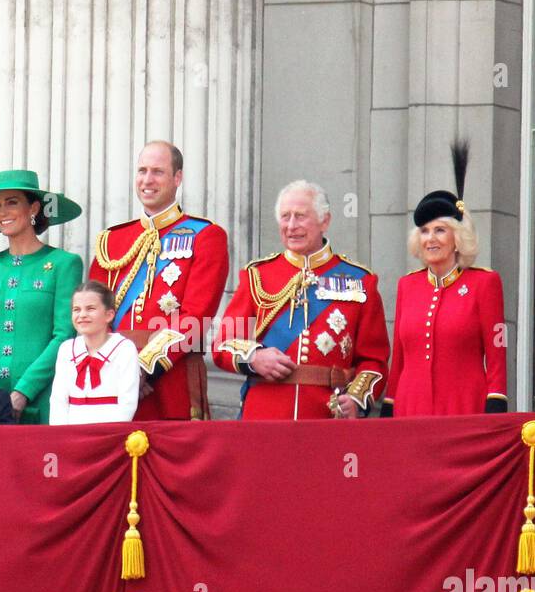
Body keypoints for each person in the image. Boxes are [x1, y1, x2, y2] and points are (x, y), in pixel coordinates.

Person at [212, 180, 389, 420]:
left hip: (326, 415)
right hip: (264, 415)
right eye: (285, 217)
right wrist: (254, 357)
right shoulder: (257, 276)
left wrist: (356, 399)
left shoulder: (360, 280)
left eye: (300, 216)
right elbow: (223, 343)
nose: (291, 226)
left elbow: (374, 359)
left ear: (324, 221)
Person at [90, 141, 229, 420]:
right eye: (142, 171)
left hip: (169, 380)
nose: (147, 180)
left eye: (158, 172)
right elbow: (91, 310)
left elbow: (196, 316)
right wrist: (104, 365)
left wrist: (143, 367)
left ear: (177, 178)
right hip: (111, 376)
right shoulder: (112, 240)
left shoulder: (206, 236)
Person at [0, 169, 83, 424]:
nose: (2, 212)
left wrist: (24, 391)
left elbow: (65, 335)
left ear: (33, 208)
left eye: (12, 202)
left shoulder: (63, 264)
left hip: (45, 395)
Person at [385, 179, 508, 416]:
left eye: (440, 230)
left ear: (458, 238)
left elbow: (497, 353)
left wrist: (496, 400)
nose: (430, 238)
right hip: (410, 407)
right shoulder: (407, 285)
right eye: (424, 231)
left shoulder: (484, 283)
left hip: (463, 406)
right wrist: (389, 404)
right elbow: (399, 358)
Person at [48, 281, 140, 426]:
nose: (82, 315)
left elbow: (127, 403)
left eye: (90, 309)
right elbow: (58, 401)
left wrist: (109, 436)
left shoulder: (124, 349)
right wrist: (61, 435)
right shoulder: (66, 349)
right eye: (76, 309)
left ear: (109, 315)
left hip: (109, 436)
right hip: (71, 435)